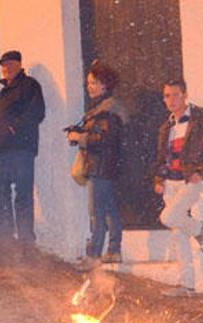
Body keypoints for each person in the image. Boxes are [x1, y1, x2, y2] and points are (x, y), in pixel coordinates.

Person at [153, 79, 203, 296]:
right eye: (167, 96)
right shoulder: (165, 127)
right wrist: (158, 179)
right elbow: (161, 157)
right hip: (170, 182)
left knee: (168, 217)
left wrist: (202, 171)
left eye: (175, 95)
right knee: (178, 233)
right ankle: (187, 285)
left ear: (185, 95)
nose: (171, 100)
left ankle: (199, 229)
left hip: (190, 180)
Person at [68, 62, 128, 270]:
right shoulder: (106, 108)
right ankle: (113, 251)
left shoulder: (107, 110)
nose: (89, 87)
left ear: (105, 85)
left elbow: (101, 139)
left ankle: (93, 256)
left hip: (100, 167)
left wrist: (79, 136)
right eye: (88, 83)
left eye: (94, 82)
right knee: (109, 209)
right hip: (105, 166)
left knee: (97, 212)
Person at [0, 50, 45, 254]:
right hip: (3, 151)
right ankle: (6, 235)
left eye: (10, 64)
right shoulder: (4, 91)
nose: (6, 68)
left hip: (21, 149)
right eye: (4, 65)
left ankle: (26, 241)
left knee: (22, 195)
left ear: (19, 64)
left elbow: (37, 112)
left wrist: (16, 126)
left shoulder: (29, 85)